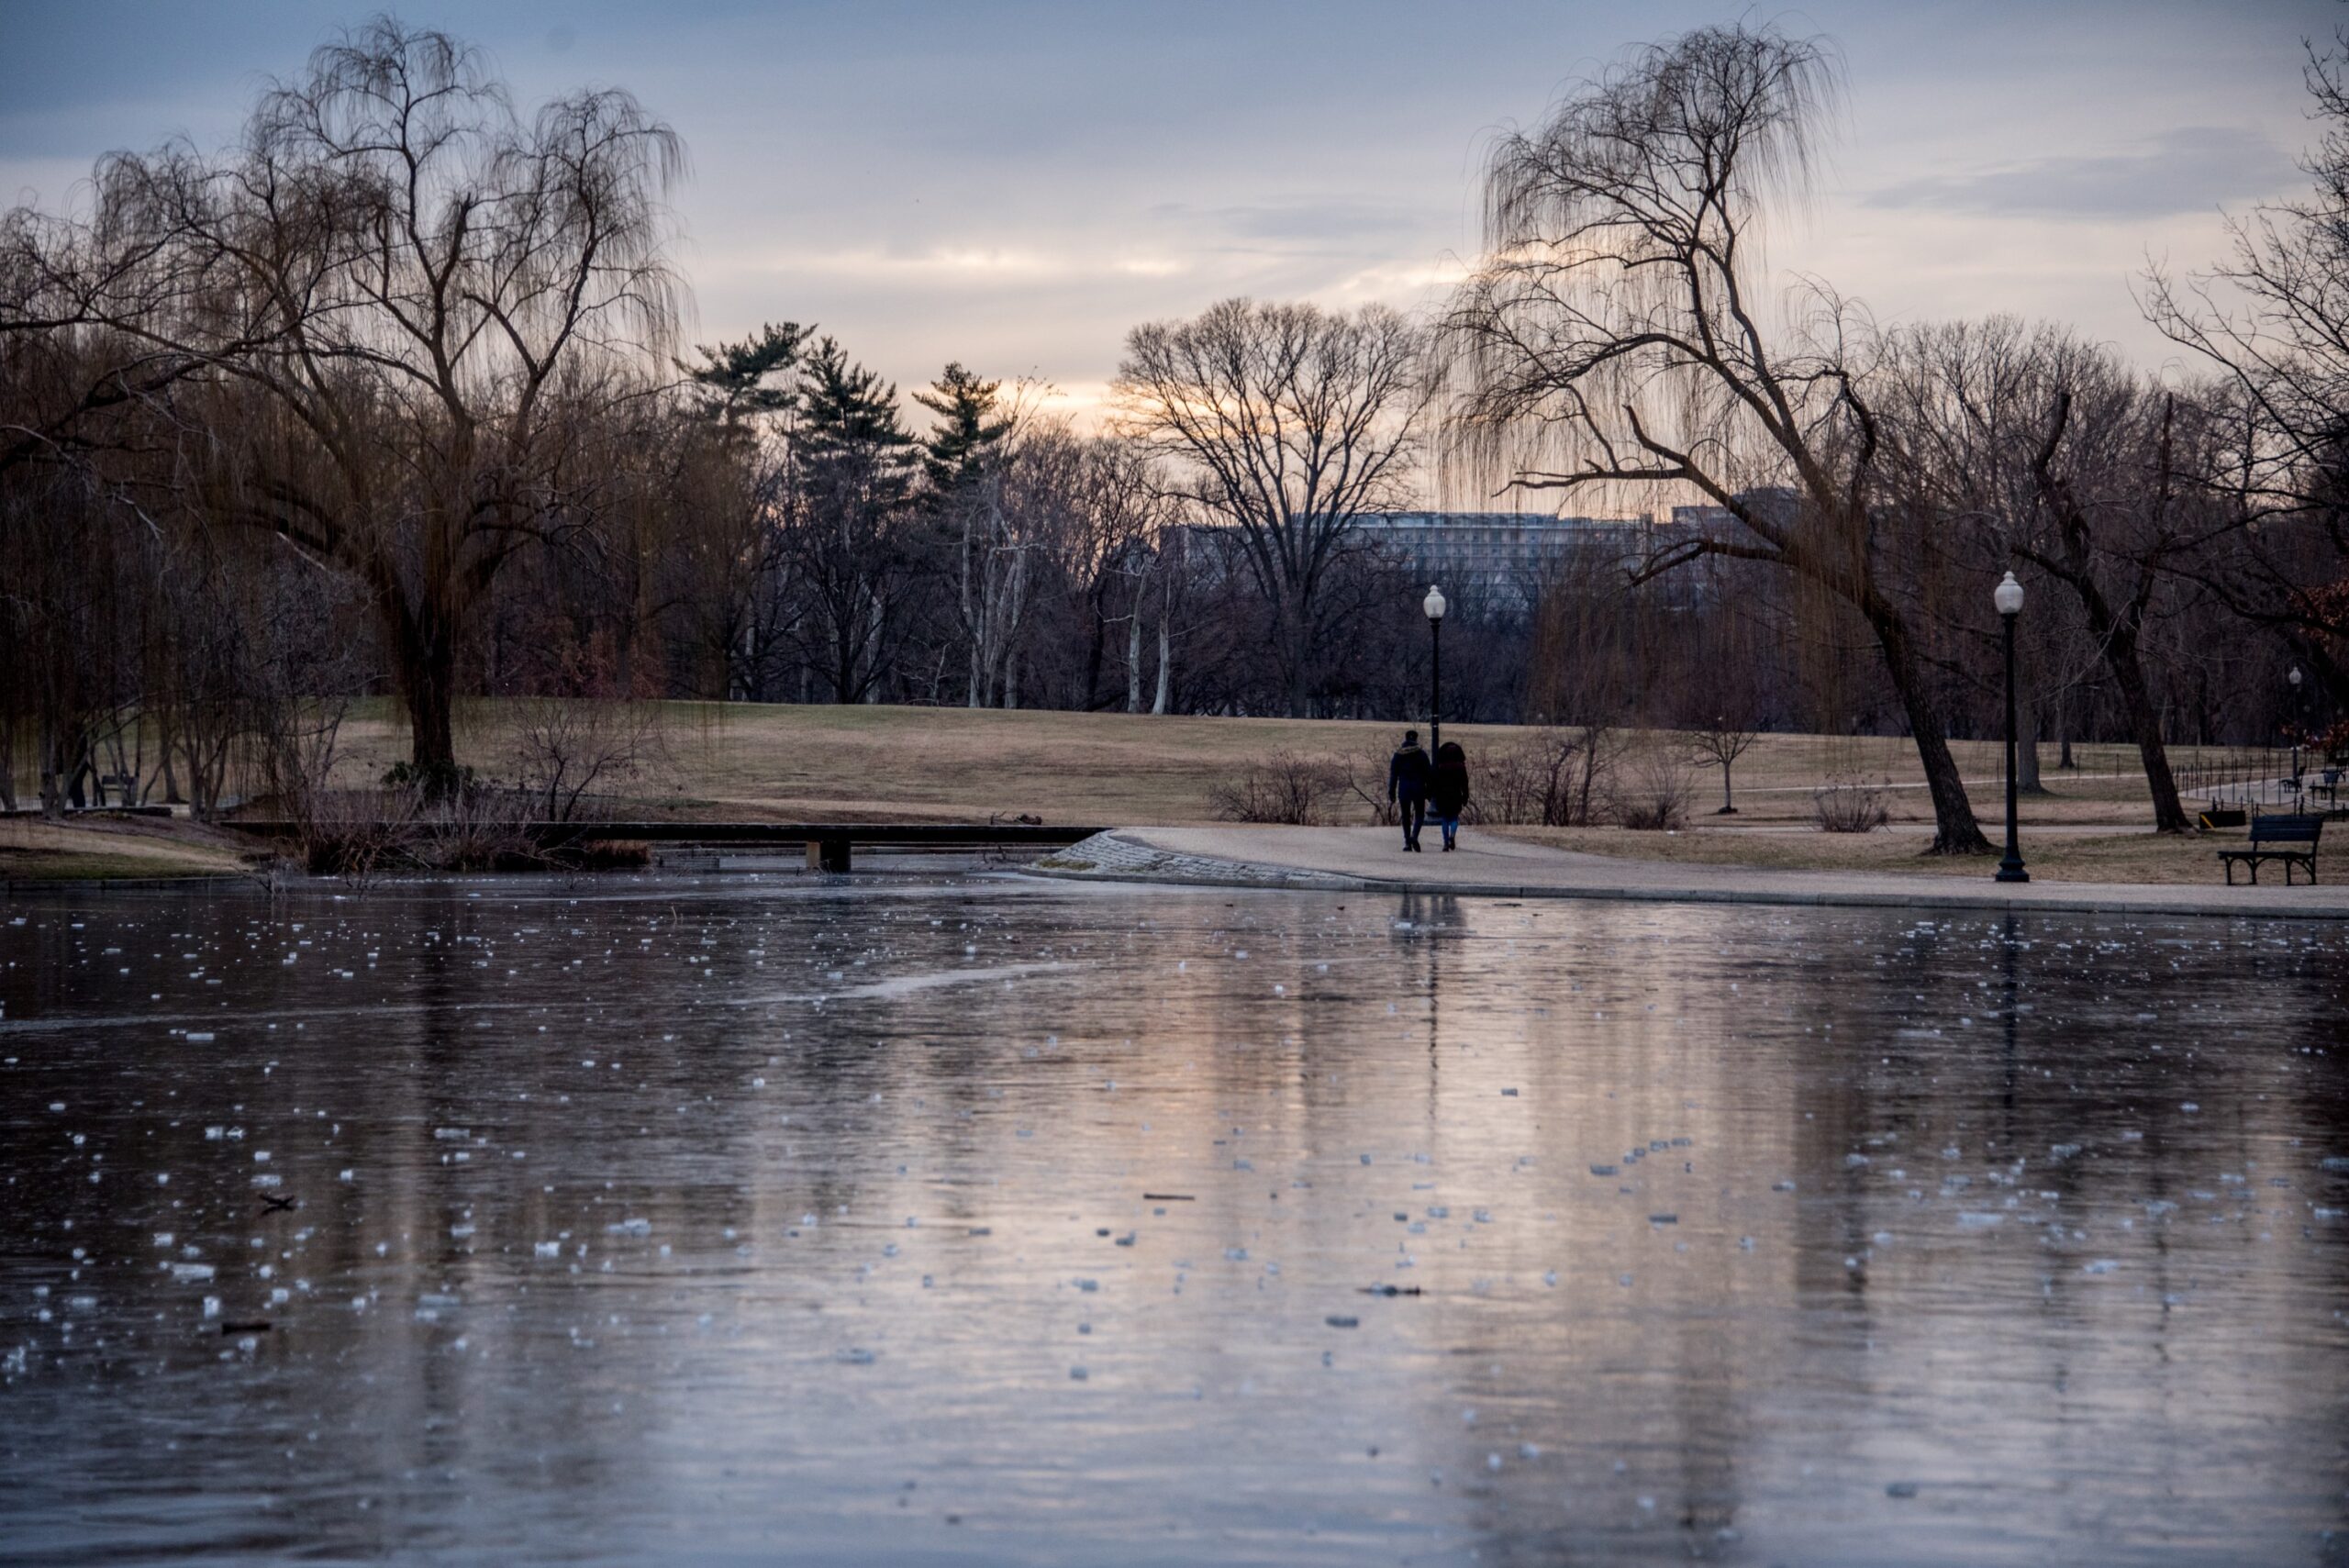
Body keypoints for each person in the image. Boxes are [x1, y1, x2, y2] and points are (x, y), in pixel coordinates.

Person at [1386, 729, 1431, 851]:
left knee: (1405, 816)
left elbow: (1393, 775)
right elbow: (1428, 774)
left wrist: (1391, 791)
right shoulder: (1422, 755)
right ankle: (1414, 835)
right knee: (1420, 814)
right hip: (1418, 788)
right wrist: (1429, 790)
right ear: (1416, 739)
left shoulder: (1398, 755)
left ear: (1405, 739)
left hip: (1404, 789)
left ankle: (1407, 842)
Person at [1429, 740, 1470, 851]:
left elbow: (1434, 782)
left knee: (1445, 819)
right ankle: (1452, 835)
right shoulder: (1461, 767)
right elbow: (1465, 784)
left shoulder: (1440, 767)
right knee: (1454, 818)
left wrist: (1431, 794)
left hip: (1442, 796)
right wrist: (1465, 797)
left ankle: (1446, 843)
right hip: (1455, 795)